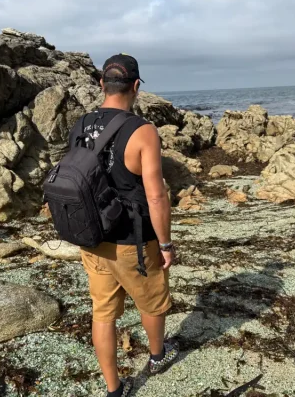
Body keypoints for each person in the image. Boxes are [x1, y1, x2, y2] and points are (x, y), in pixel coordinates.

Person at [67, 54, 178, 397]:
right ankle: (157, 358)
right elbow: (156, 196)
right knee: (152, 303)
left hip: (91, 237)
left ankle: (115, 389)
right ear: (136, 86)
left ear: (101, 84)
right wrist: (165, 245)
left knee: (103, 314)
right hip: (134, 240)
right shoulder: (142, 131)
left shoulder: (80, 124)